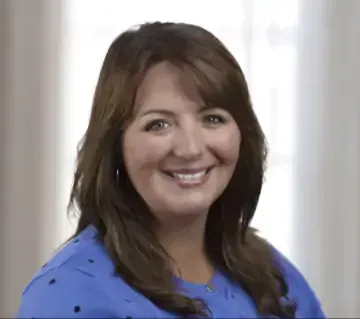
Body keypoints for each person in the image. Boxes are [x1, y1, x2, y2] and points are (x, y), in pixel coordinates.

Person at [16, 22, 326, 318]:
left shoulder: (272, 274)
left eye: (213, 118)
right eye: (158, 124)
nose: (190, 148)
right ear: (115, 144)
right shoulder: (69, 296)